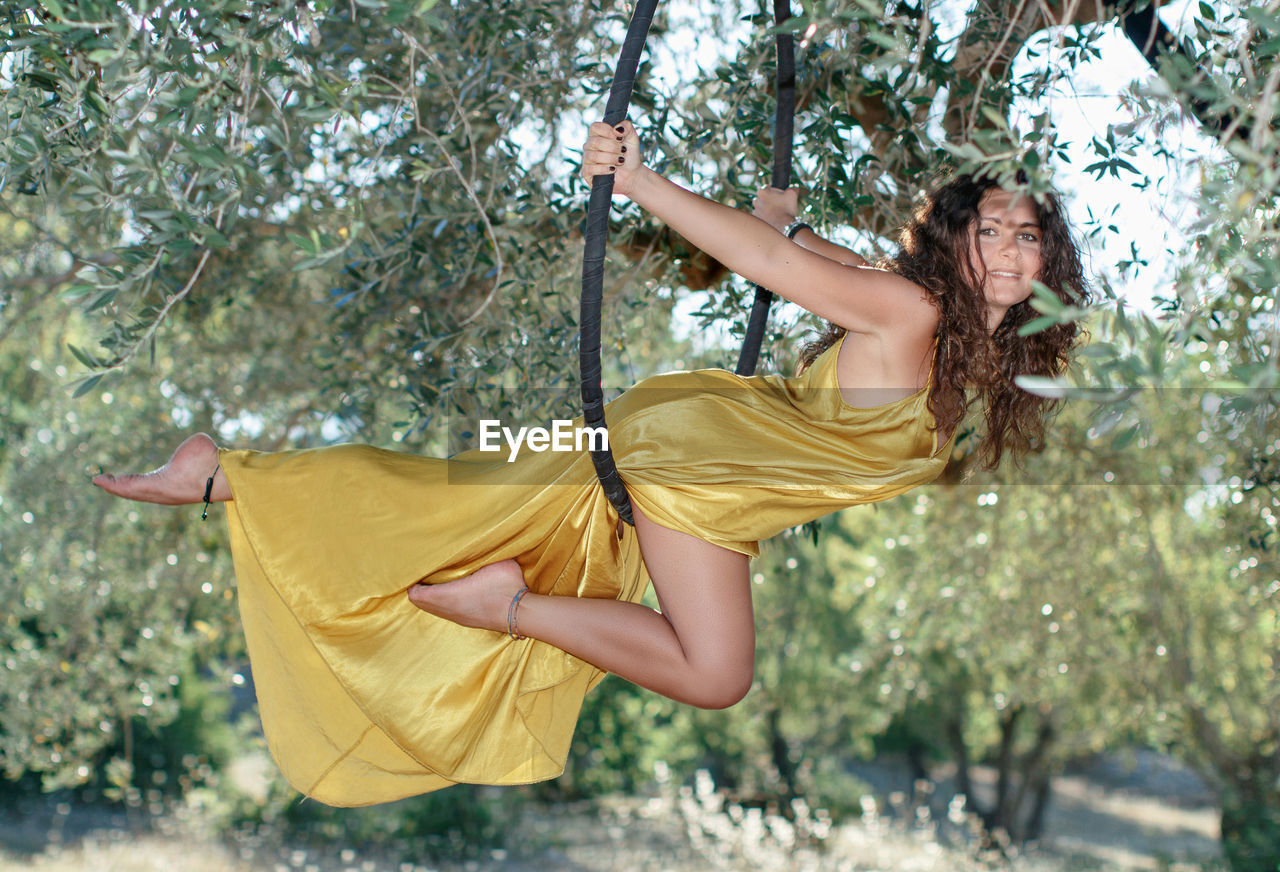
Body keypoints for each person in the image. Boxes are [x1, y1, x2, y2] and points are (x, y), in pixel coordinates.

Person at [93, 120, 1089, 805]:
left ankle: (226, 473)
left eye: (1025, 234)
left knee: (461, 483)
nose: (1005, 248)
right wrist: (636, 181)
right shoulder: (914, 310)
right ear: (953, 243)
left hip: (703, 456)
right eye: (987, 229)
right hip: (698, 465)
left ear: (1047, 259)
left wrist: (788, 220)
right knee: (714, 672)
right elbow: (775, 270)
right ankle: (500, 605)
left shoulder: (956, 347)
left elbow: (809, 257)